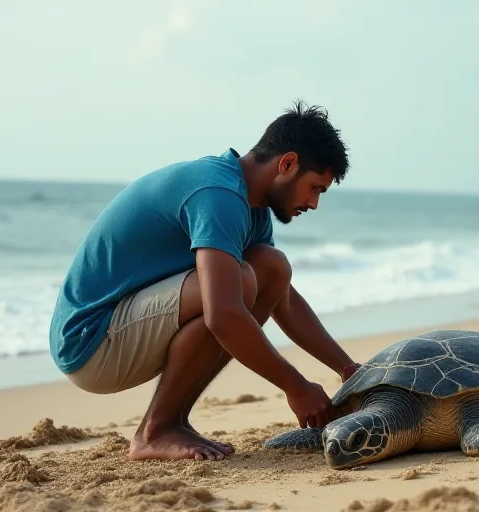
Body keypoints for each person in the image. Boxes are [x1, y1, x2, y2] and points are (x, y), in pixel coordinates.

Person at [49, 101, 362, 461]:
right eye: (314, 188)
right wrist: (295, 387)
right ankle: (155, 430)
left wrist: (348, 369)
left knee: (270, 268)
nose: (314, 203)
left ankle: (172, 422)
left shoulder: (251, 206)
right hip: (91, 342)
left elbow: (283, 302)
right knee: (237, 286)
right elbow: (223, 315)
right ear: (287, 164)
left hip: (123, 330)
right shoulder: (218, 194)